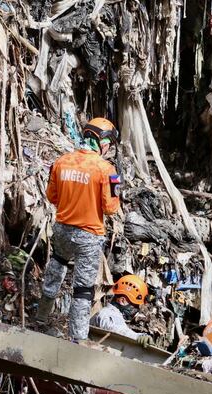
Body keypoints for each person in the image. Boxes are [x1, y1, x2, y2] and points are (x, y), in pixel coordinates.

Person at [34, 117, 121, 341]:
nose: (108, 149)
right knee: (83, 290)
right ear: (103, 142)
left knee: (56, 268)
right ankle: (77, 339)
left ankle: (41, 317)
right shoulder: (106, 169)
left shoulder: (61, 161)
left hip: (62, 229)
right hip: (89, 236)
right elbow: (111, 209)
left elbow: (51, 196)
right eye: (109, 145)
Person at [90, 275, 154, 348]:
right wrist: (138, 337)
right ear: (122, 301)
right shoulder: (107, 314)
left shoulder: (116, 315)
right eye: (135, 306)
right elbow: (114, 329)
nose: (136, 310)